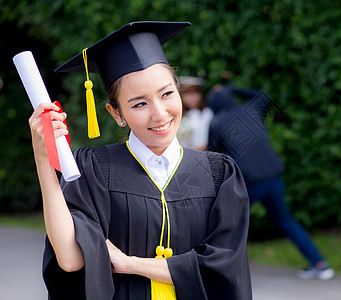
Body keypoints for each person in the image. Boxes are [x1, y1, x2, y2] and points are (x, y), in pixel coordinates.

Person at [28, 21, 252, 299]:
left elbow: (224, 267)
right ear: (116, 113)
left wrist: (131, 264)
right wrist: (43, 160)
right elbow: (70, 258)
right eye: (139, 103)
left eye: (167, 94)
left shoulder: (219, 174)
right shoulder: (95, 169)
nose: (159, 114)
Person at [207, 85, 335, 280]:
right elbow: (262, 96)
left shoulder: (217, 123)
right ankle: (319, 263)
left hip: (249, 185)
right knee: (286, 220)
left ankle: (219, 273)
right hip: (273, 179)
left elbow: (213, 156)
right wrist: (231, 88)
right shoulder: (251, 110)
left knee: (228, 225)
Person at [177, 76, 214, 150]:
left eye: (195, 93)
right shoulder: (179, 114)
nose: (191, 98)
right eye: (187, 94)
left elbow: (207, 142)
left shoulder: (206, 114)